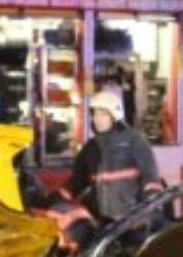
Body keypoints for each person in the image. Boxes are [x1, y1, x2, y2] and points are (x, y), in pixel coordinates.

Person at [59, 90, 162, 225]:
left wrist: (145, 214)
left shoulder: (135, 141)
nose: (97, 118)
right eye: (95, 113)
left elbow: (151, 178)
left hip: (133, 222)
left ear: (114, 116)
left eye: (103, 114)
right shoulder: (91, 147)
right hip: (103, 222)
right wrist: (56, 198)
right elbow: (77, 181)